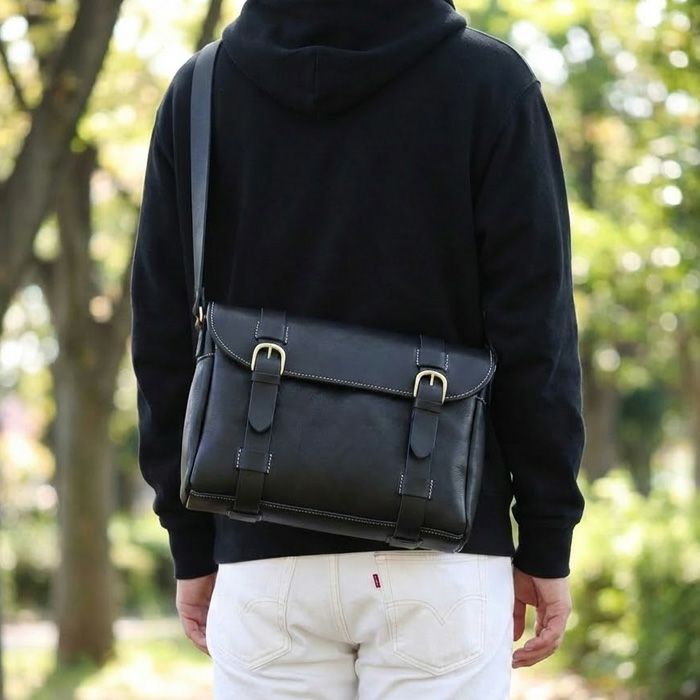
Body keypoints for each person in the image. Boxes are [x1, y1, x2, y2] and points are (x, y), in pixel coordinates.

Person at [130, 0, 586, 697]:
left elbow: (162, 338)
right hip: (445, 545)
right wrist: (547, 535)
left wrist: (189, 542)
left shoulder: (201, 92)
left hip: (258, 550)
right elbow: (537, 333)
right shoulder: (490, 84)